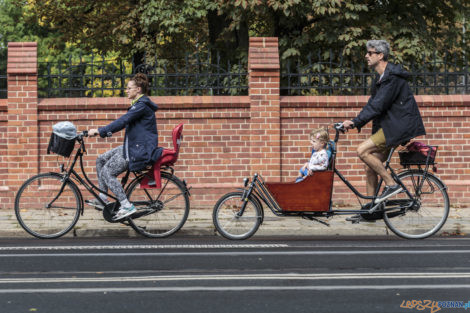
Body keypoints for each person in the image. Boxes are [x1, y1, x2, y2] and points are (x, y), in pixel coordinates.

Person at [342, 40, 426, 210]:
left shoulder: (391, 78)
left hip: (397, 127)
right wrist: (353, 121)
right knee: (369, 167)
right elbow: (372, 104)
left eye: (370, 53)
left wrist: (356, 122)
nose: (366, 56)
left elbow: (377, 106)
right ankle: (372, 208)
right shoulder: (381, 78)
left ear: (380, 56)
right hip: (389, 126)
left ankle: (391, 184)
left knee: (362, 151)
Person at [87, 73, 162, 221]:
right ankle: (103, 197)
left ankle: (126, 205)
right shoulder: (138, 105)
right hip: (132, 146)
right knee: (100, 160)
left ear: (138, 89)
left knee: (107, 172)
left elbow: (123, 121)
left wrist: (100, 131)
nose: (126, 90)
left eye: (129, 88)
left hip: (138, 150)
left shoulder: (142, 106)